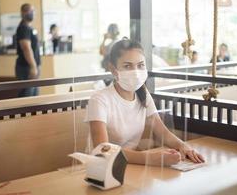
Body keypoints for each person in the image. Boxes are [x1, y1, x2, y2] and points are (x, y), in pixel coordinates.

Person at [85, 38, 205, 166]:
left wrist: (183, 146)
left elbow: (162, 132)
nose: (136, 72)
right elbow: (103, 149)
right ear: (114, 70)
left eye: (140, 65)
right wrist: (149, 158)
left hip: (130, 165)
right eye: (127, 66)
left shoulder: (143, 94)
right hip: (100, 168)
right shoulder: (99, 100)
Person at [15, 3, 41, 97]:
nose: (32, 13)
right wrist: (33, 66)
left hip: (33, 66)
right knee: (27, 97)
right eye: (29, 10)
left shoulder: (30, 28)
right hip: (26, 67)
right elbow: (26, 48)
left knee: (34, 97)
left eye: (33, 10)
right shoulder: (23, 28)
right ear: (23, 13)